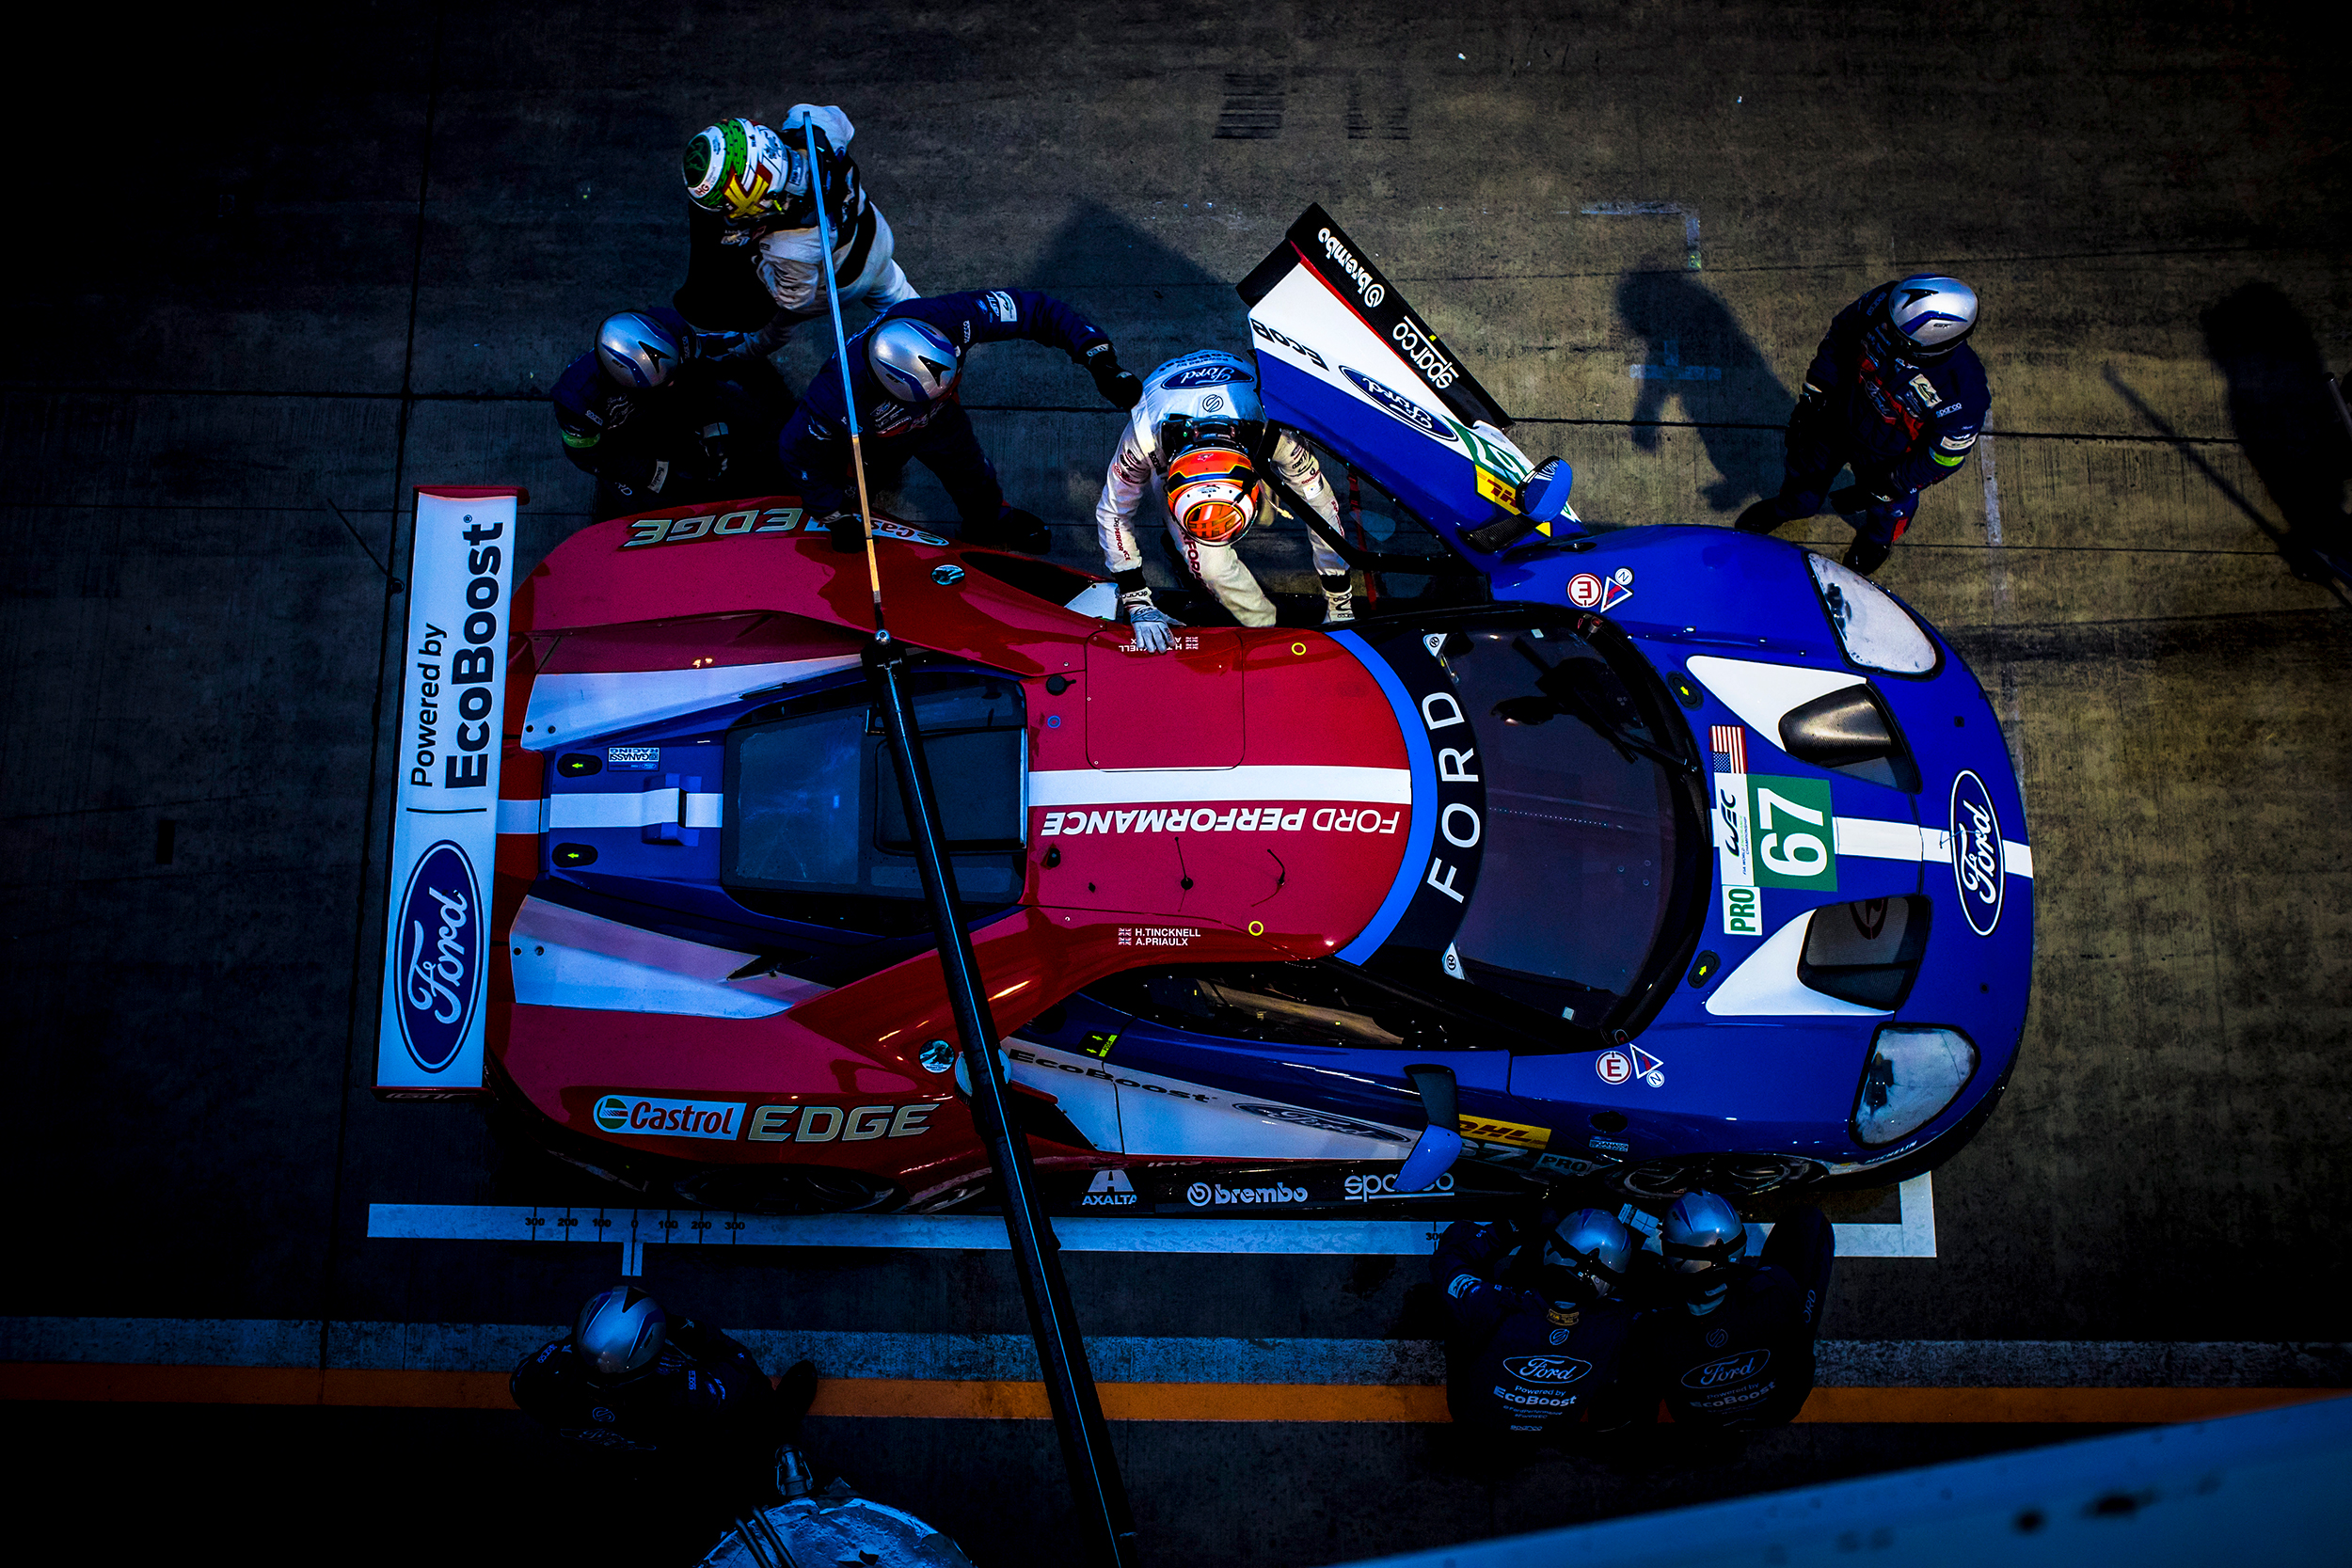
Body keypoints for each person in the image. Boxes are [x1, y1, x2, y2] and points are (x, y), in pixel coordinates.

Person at [780, 290, 1143, 554]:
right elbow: (797, 452)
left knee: (974, 473)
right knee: (850, 500)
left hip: (939, 421)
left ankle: (988, 522)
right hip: (872, 446)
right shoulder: (834, 397)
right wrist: (831, 514)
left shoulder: (950, 317)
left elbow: (1036, 309)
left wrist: (1100, 360)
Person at [1094, 350, 1357, 648]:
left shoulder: (1276, 433)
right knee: (1212, 569)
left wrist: (1340, 601)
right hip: (1177, 416)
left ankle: (1216, 540)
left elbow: (1320, 507)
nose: (1217, 526)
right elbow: (1113, 513)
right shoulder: (1144, 440)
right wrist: (1137, 601)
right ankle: (1265, 627)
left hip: (1244, 414)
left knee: (1290, 501)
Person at [1736, 276, 1989, 575]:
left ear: (1932, 346)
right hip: (1837, 417)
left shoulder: (1963, 392)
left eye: (1898, 335)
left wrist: (1889, 485)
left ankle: (1877, 542)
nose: (1884, 328)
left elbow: (1943, 458)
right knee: (1803, 476)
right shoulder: (1887, 302)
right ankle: (1787, 508)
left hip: (1890, 457)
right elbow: (1839, 337)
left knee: (1889, 510)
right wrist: (1813, 397)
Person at [674, 109, 918, 353]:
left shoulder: (786, 247)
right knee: (895, 290)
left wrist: (757, 258)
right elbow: (842, 122)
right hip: (874, 234)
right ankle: (929, 330)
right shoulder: (813, 121)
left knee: (773, 326)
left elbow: (795, 298)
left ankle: (735, 352)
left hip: (839, 283)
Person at [554, 309, 797, 521]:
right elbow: (588, 455)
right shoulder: (576, 402)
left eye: (671, 375)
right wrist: (652, 473)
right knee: (655, 511)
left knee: (762, 426)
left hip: (685, 402)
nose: (669, 384)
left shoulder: (675, 330)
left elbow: (703, 373)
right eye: (661, 383)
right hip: (627, 442)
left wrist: (713, 423)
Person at [1621, 1190, 1835, 1431]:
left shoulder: (1652, 1324)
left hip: (1697, 1420)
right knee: (1808, 1222)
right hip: (1778, 1409)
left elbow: (1637, 1390)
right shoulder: (1774, 1288)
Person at [1430, 1205, 1641, 1442]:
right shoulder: (1620, 1320)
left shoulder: (1492, 1305)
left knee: (1458, 1296)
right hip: (1556, 1428)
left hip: (1474, 1419)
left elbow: (1449, 1258)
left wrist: (1508, 1228)